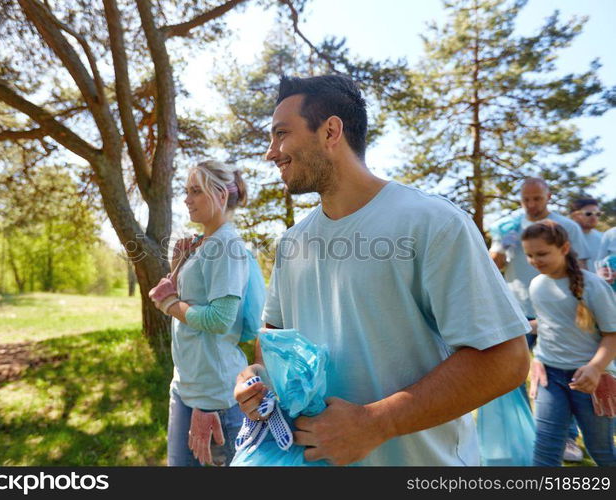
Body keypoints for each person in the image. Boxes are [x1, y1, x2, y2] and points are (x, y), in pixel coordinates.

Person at [233, 75, 530, 466]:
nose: (271, 152)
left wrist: (374, 423)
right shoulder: (292, 244)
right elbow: (272, 337)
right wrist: (255, 377)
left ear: (330, 131)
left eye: (281, 134)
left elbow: (506, 359)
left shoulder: (432, 223)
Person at [148, 160, 257, 466]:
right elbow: (193, 301)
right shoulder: (203, 244)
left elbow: (219, 320)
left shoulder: (226, 246)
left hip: (214, 397)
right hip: (187, 385)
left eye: (195, 191)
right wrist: (179, 264)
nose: (186, 199)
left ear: (221, 195)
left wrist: (169, 304)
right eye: (186, 191)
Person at [521, 221, 616, 466]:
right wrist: (517, 329)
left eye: (542, 254)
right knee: (545, 450)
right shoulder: (537, 285)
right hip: (549, 378)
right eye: (529, 255)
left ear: (564, 248)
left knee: (602, 451)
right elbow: (548, 324)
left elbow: (612, 334)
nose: (535, 261)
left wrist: (595, 368)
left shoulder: (594, 286)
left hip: (591, 381)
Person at [490, 178, 589, 351]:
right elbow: (492, 268)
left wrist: (579, 302)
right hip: (518, 306)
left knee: (558, 366)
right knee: (513, 369)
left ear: (548, 197)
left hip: (556, 306)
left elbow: (580, 267)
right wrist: (501, 247)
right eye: (525, 199)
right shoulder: (508, 227)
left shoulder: (567, 226)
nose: (531, 204)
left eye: (537, 198)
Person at [570, 198, 603, 273]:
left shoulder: (603, 238)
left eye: (598, 214)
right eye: (588, 214)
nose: (594, 217)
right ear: (574, 215)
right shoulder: (564, 237)